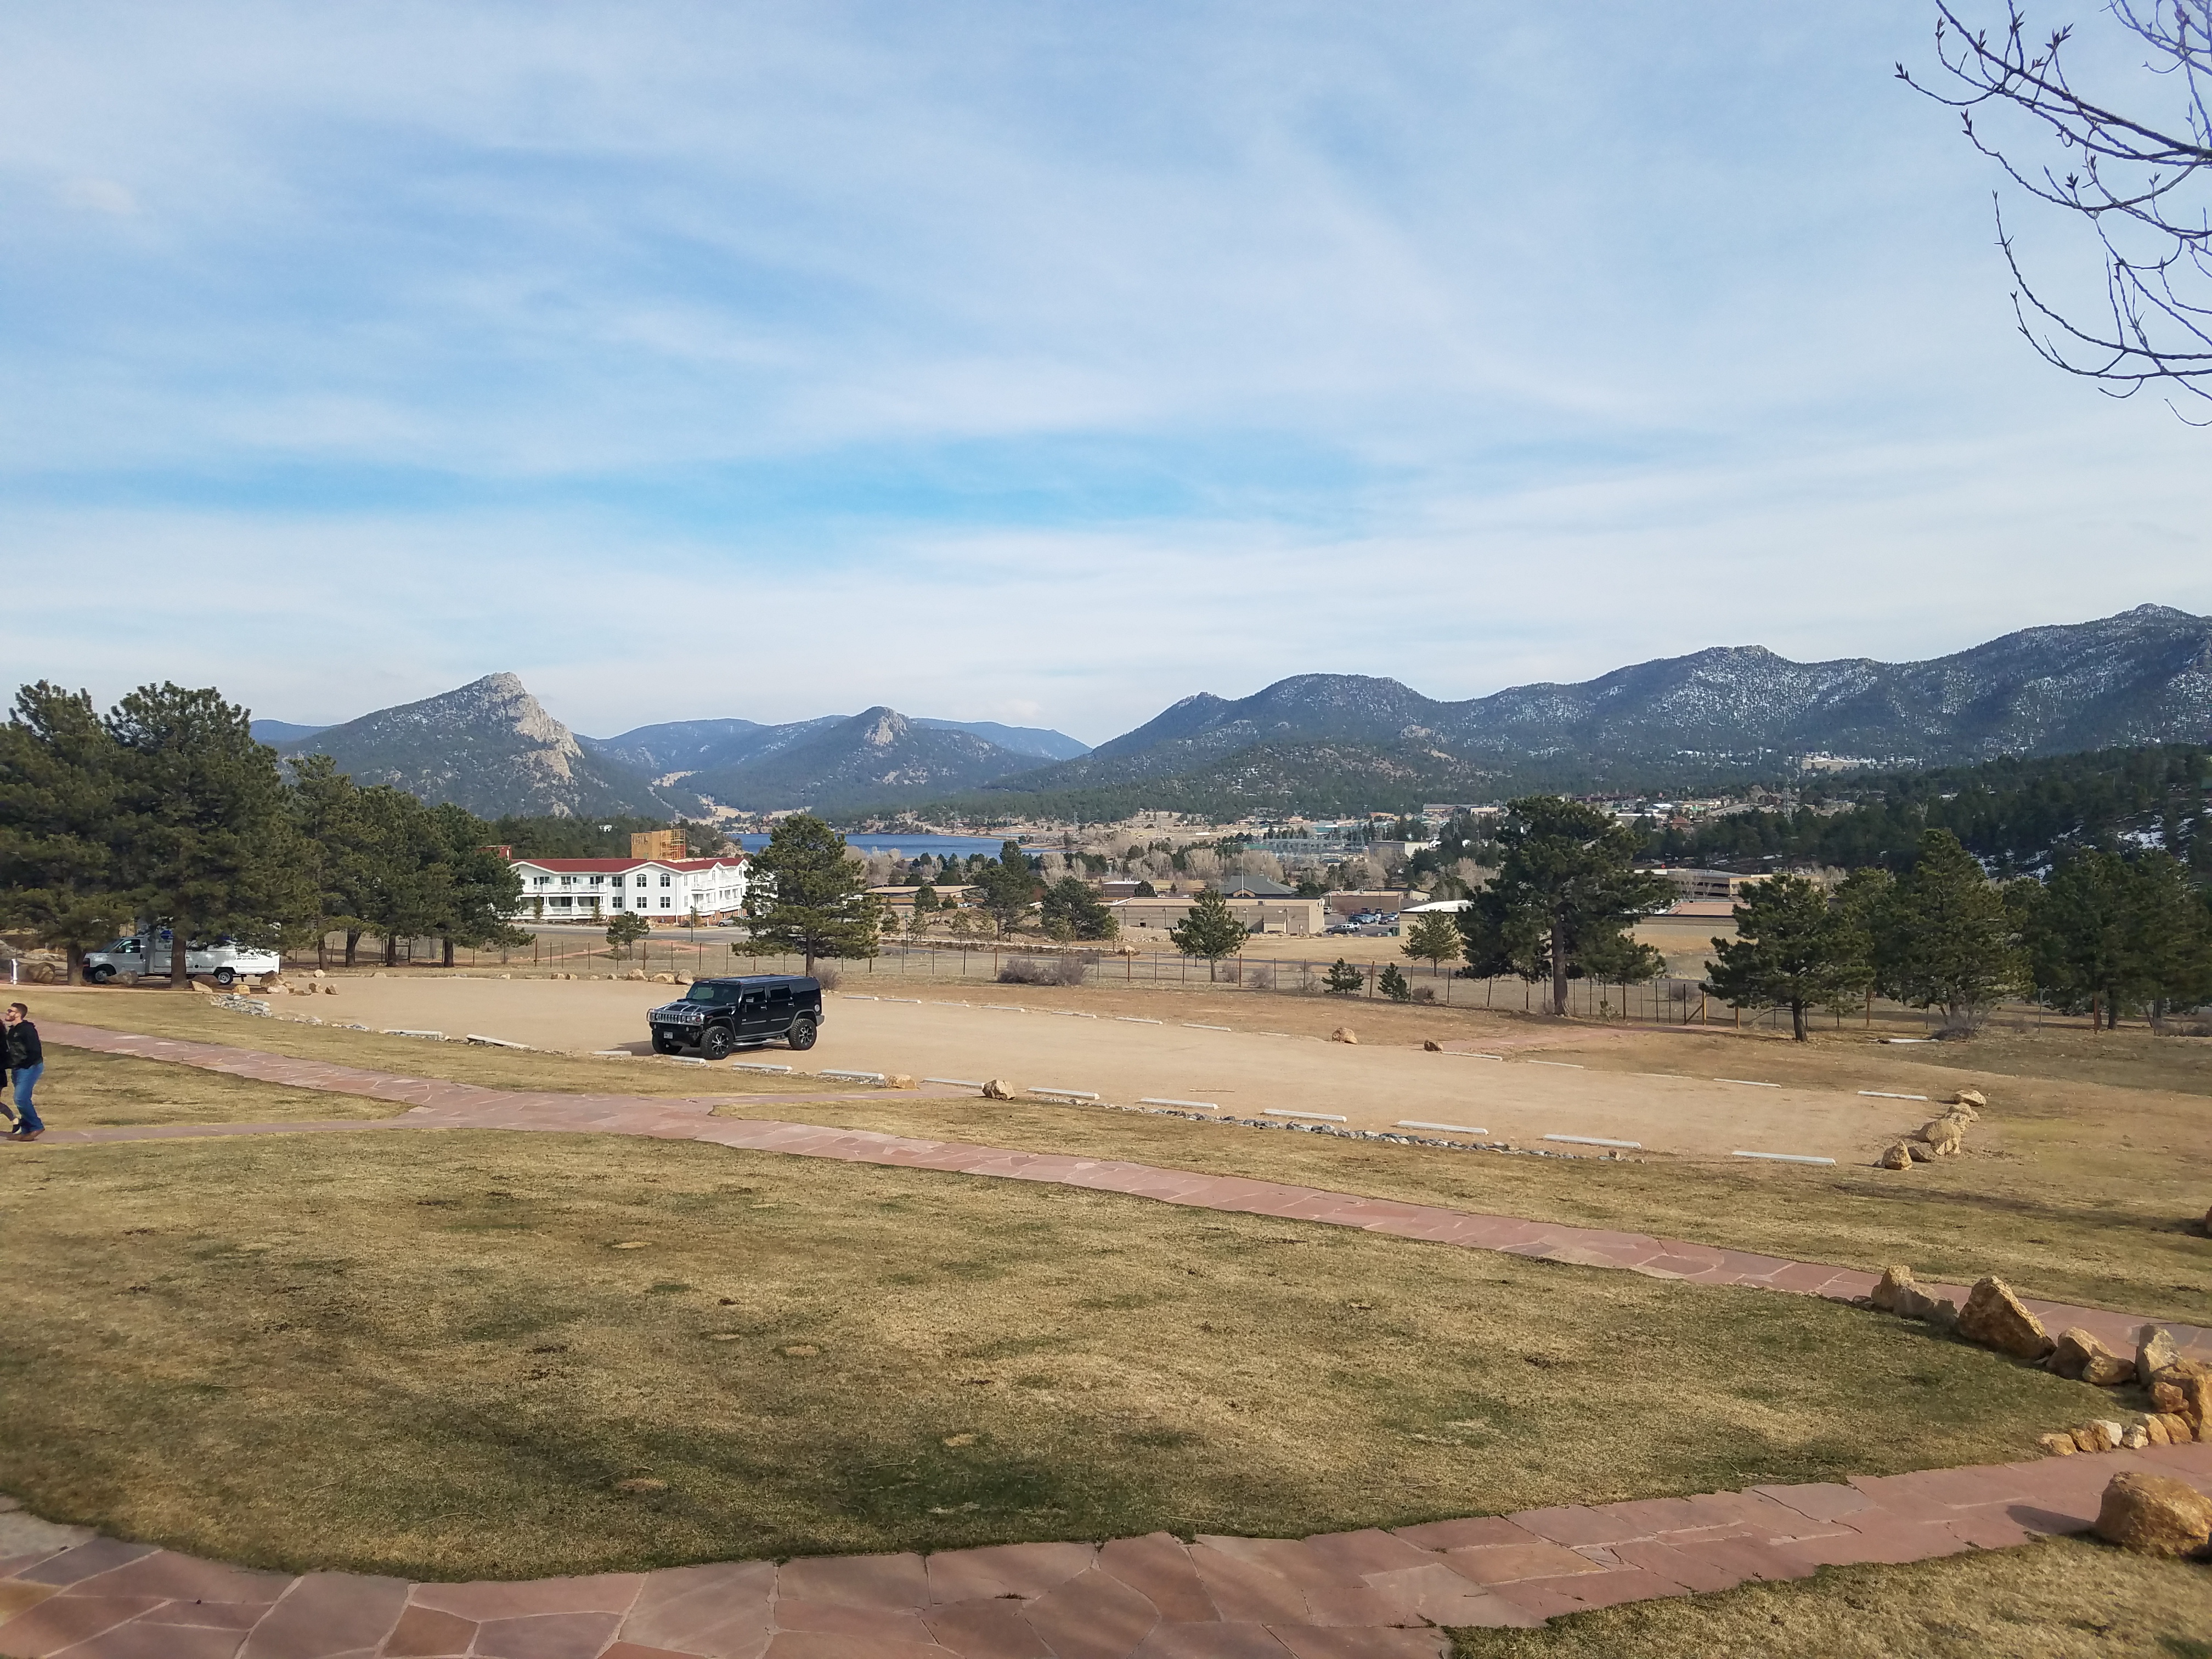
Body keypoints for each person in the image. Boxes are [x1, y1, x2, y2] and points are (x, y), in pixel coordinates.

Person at [4, 1002, 43, 1141]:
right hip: (18, 1068)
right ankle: (26, 1129)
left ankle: (37, 1126)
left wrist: (25, 1065)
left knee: (20, 1099)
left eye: (10, 1011)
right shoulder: (13, 1030)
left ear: (18, 1014)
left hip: (30, 1067)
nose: (7, 1013)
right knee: (22, 1099)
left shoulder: (27, 1029)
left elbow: (34, 1051)